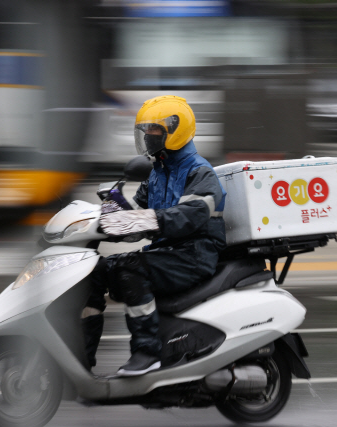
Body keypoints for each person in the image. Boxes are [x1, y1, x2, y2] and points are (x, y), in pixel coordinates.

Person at [81, 95, 227, 376]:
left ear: (176, 130)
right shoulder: (157, 173)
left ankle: (147, 353)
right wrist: (106, 217)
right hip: (166, 253)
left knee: (128, 269)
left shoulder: (201, 172)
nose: (149, 136)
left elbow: (189, 215)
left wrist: (139, 220)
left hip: (193, 256)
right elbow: (135, 217)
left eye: (155, 130)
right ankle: (81, 357)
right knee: (93, 270)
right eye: (146, 131)